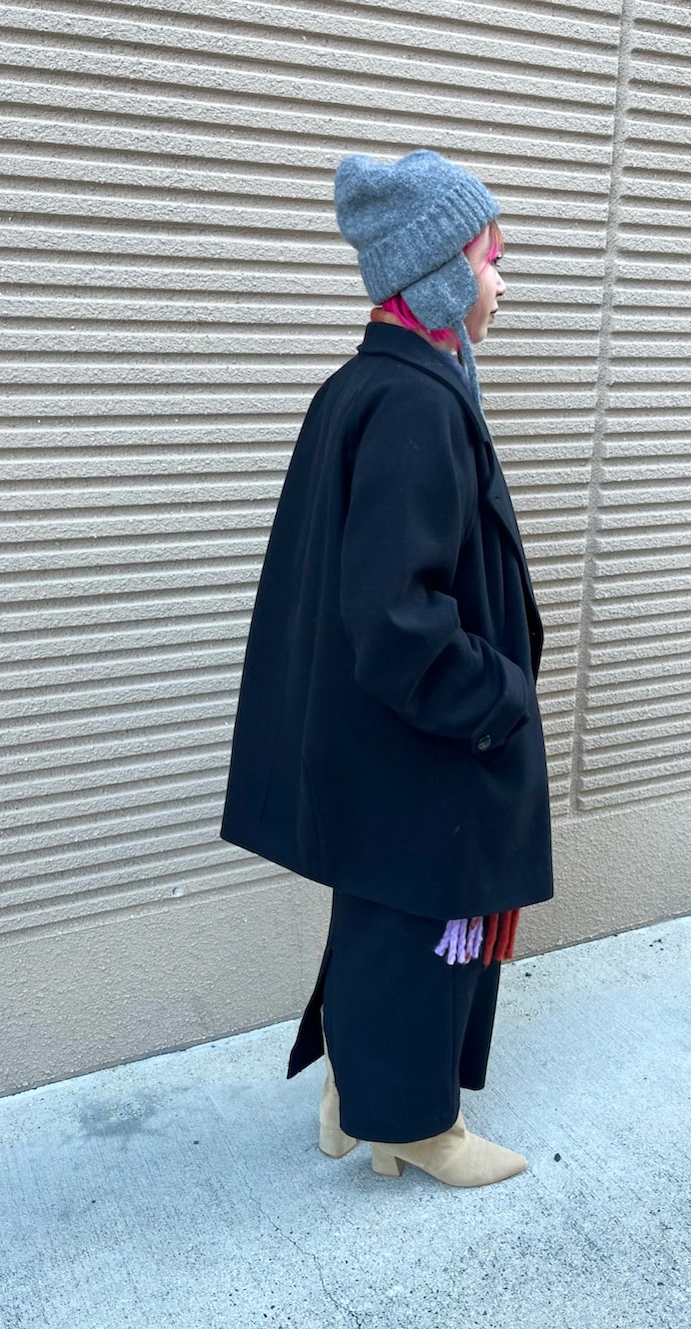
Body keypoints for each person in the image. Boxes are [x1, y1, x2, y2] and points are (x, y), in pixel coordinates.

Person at [220, 149, 553, 1187]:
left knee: (382, 915)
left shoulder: (363, 386)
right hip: (426, 737)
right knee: (424, 926)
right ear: (442, 275)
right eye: (492, 260)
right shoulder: (414, 404)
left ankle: (350, 1089)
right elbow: (395, 617)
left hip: (382, 737)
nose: (503, 282)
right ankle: (413, 1126)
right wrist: (495, 696)